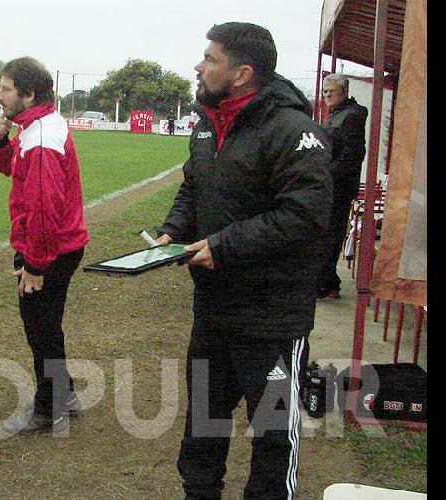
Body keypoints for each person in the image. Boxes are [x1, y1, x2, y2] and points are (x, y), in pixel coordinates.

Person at [153, 22, 332, 499]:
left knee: (273, 430)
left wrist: (225, 246)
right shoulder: (207, 125)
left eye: (210, 58)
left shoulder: (293, 131)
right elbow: (194, 188)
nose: (199, 65)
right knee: (205, 419)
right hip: (213, 309)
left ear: (241, 73)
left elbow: (304, 213)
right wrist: (174, 231)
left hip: (271, 316)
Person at [0, 57, 89, 434]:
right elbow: (12, 168)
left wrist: (36, 265)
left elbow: (45, 208)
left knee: (40, 327)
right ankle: (64, 394)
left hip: (50, 248)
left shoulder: (42, 136)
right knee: (46, 325)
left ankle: (50, 407)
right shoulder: (33, 127)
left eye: (6, 88)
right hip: (52, 246)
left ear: (28, 93)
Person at [316, 73, 368, 299]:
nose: (327, 95)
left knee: (330, 235)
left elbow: (351, 155)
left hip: (338, 187)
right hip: (330, 185)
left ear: (344, 93)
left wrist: (325, 175)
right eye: (325, 91)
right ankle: (325, 281)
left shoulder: (351, 116)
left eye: (331, 91)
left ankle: (326, 285)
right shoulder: (336, 115)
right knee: (324, 234)